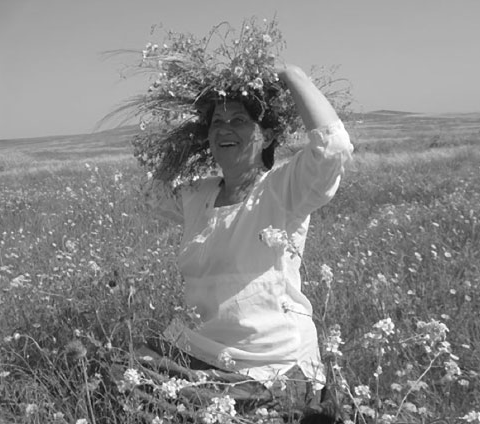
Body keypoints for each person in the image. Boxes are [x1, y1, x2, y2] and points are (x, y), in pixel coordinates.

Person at [142, 63, 354, 416]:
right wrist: (186, 142)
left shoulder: (282, 188)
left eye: (239, 120)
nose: (225, 128)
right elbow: (153, 191)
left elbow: (333, 148)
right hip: (199, 347)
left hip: (267, 359)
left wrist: (290, 74)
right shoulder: (198, 194)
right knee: (118, 376)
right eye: (217, 123)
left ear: (267, 136)